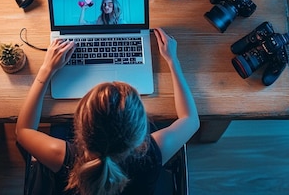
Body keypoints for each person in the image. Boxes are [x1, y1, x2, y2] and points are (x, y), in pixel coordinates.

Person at [16, 28, 200, 195]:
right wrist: (172, 60)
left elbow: (23, 130)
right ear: (141, 130)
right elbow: (190, 119)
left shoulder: (62, 156)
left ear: (78, 125)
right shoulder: (153, 151)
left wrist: (46, 70)